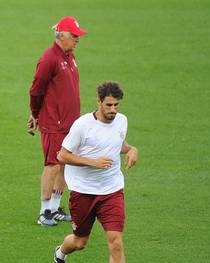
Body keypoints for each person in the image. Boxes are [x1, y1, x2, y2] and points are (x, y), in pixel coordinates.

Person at [53, 81, 138, 263]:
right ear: (99, 102)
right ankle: (60, 253)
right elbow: (62, 155)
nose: (113, 110)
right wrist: (93, 162)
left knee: (116, 242)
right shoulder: (82, 125)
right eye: (109, 105)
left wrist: (131, 149)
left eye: (116, 105)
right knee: (80, 242)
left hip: (112, 190)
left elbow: (118, 143)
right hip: (83, 191)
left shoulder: (122, 121)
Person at [27, 16, 87, 226]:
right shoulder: (49, 58)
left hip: (71, 123)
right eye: (74, 35)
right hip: (54, 123)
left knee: (65, 166)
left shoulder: (69, 56)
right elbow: (36, 90)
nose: (78, 39)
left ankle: (54, 207)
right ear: (62, 35)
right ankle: (44, 213)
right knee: (52, 165)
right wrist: (35, 114)